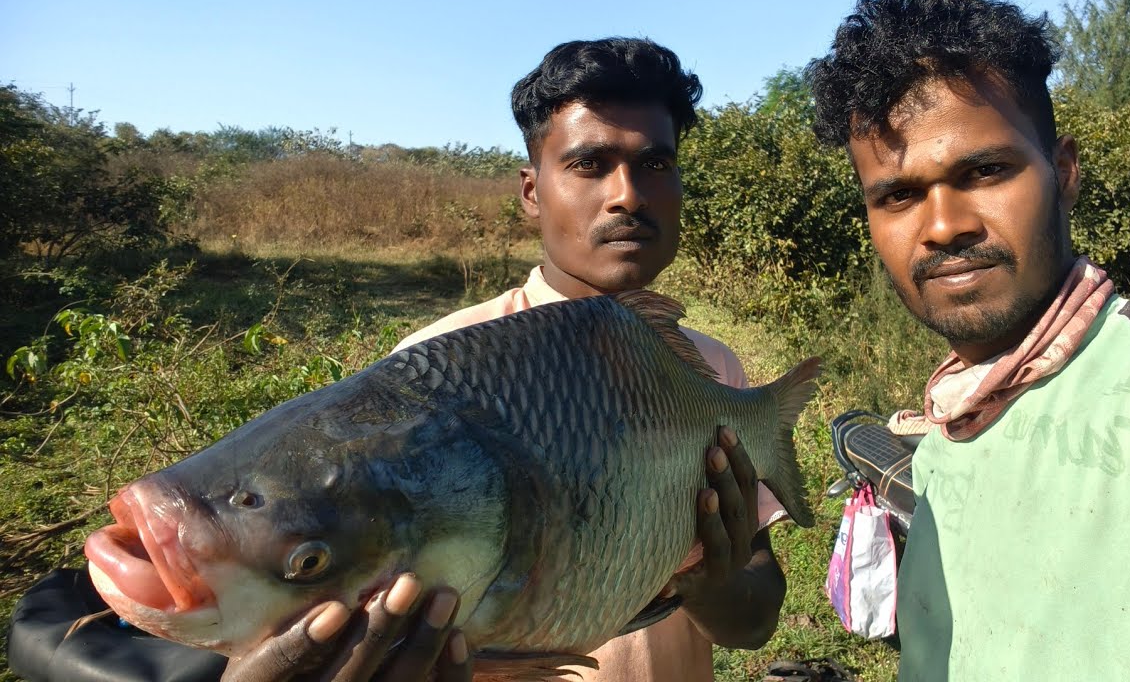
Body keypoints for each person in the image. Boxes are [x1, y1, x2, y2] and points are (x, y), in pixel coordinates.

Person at [223, 37, 791, 682]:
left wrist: (706, 576)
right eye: (589, 164)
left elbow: (754, 623)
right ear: (531, 191)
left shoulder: (710, 369)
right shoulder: (437, 370)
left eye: (655, 163)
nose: (627, 195)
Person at [806, 0, 1130, 681]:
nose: (943, 226)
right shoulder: (944, 437)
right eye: (899, 194)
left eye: (986, 171)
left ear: (1063, 172)